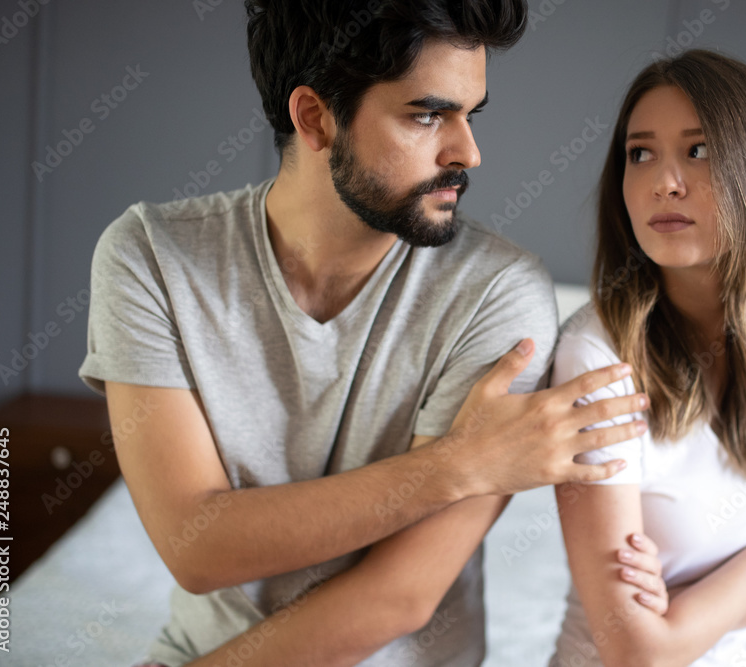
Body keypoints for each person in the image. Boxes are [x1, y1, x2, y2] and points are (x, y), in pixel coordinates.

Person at [77, 2, 650, 665]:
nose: (468, 152)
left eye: (472, 114)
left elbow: (399, 597)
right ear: (315, 118)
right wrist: (460, 464)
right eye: (427, 115)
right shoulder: (151, 257)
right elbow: (197, 549)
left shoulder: (499, 292)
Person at [548, 49, 746, 667]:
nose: (664, 181)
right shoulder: (596, 356)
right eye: (640, 153)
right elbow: (636, 651)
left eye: (698, 150)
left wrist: (683, 615)